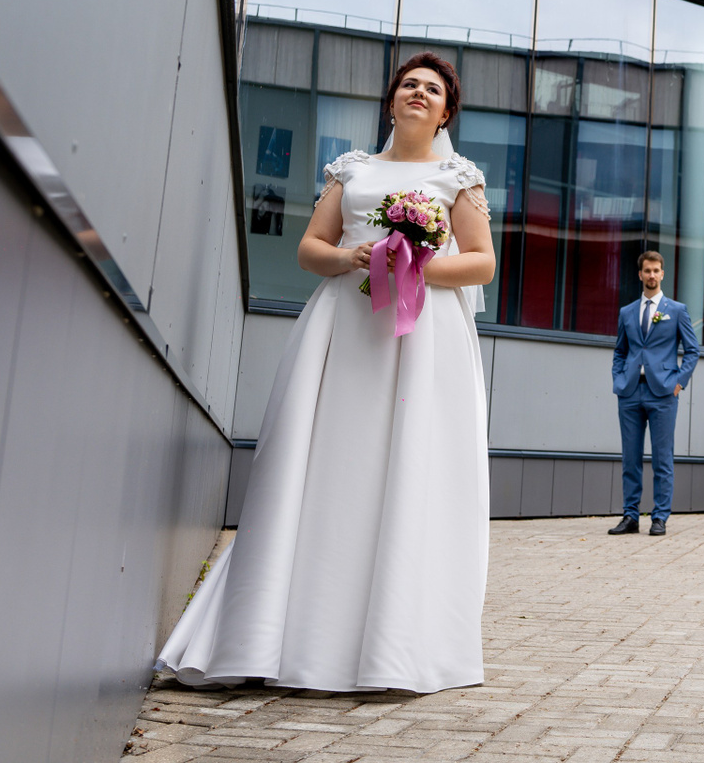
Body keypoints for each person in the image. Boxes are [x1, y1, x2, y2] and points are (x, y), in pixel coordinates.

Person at [157, 52, 495, 693]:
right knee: (325, 460)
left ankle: (390, 644)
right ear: (391, 101)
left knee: (404, 461)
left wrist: (417, 265)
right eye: (408, 84)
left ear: (446, 112)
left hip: (423, 336)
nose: (418, 93)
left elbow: (481, 262)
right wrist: (353, 257)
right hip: (343, 328)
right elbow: (310, 248)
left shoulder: (457, 177)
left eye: (432, 90)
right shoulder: (352, 170)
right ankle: (273, 636)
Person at [609, 251, 698, 537]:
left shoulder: (677, 310)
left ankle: (659, 517)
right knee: (630, 459)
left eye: (656, 270)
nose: (651, 275)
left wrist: (679, 383)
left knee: (662, 459)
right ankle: (630, 516)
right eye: (647, 270)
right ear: (640, 274)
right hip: (630, 391)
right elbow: (620, 351)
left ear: (662, 274)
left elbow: (693, 350)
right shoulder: (627, 312)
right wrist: (619, 379)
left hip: (663, 393)